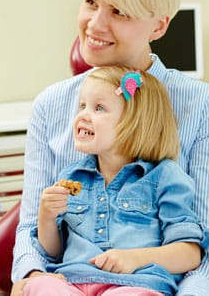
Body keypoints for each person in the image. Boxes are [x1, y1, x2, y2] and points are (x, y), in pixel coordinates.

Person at [11, 0, 209, 296]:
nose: (94, 24)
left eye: (119, 12)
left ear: (159, 26)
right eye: (90, 2)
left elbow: (201, 245)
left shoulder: (200, 107)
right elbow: (31, 232)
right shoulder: (50, 106)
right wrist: (32, 276)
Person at [21, 66, 207, 296]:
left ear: (134, 123)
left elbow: (190, 254)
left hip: (136, 284)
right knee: (38, 285)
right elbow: (53, 250)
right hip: (72, 281)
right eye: (82, 106)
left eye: (99, 108)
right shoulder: (71, 177)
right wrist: (46, 216)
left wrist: (134, 258)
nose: (83, 115)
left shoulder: (165, 178)